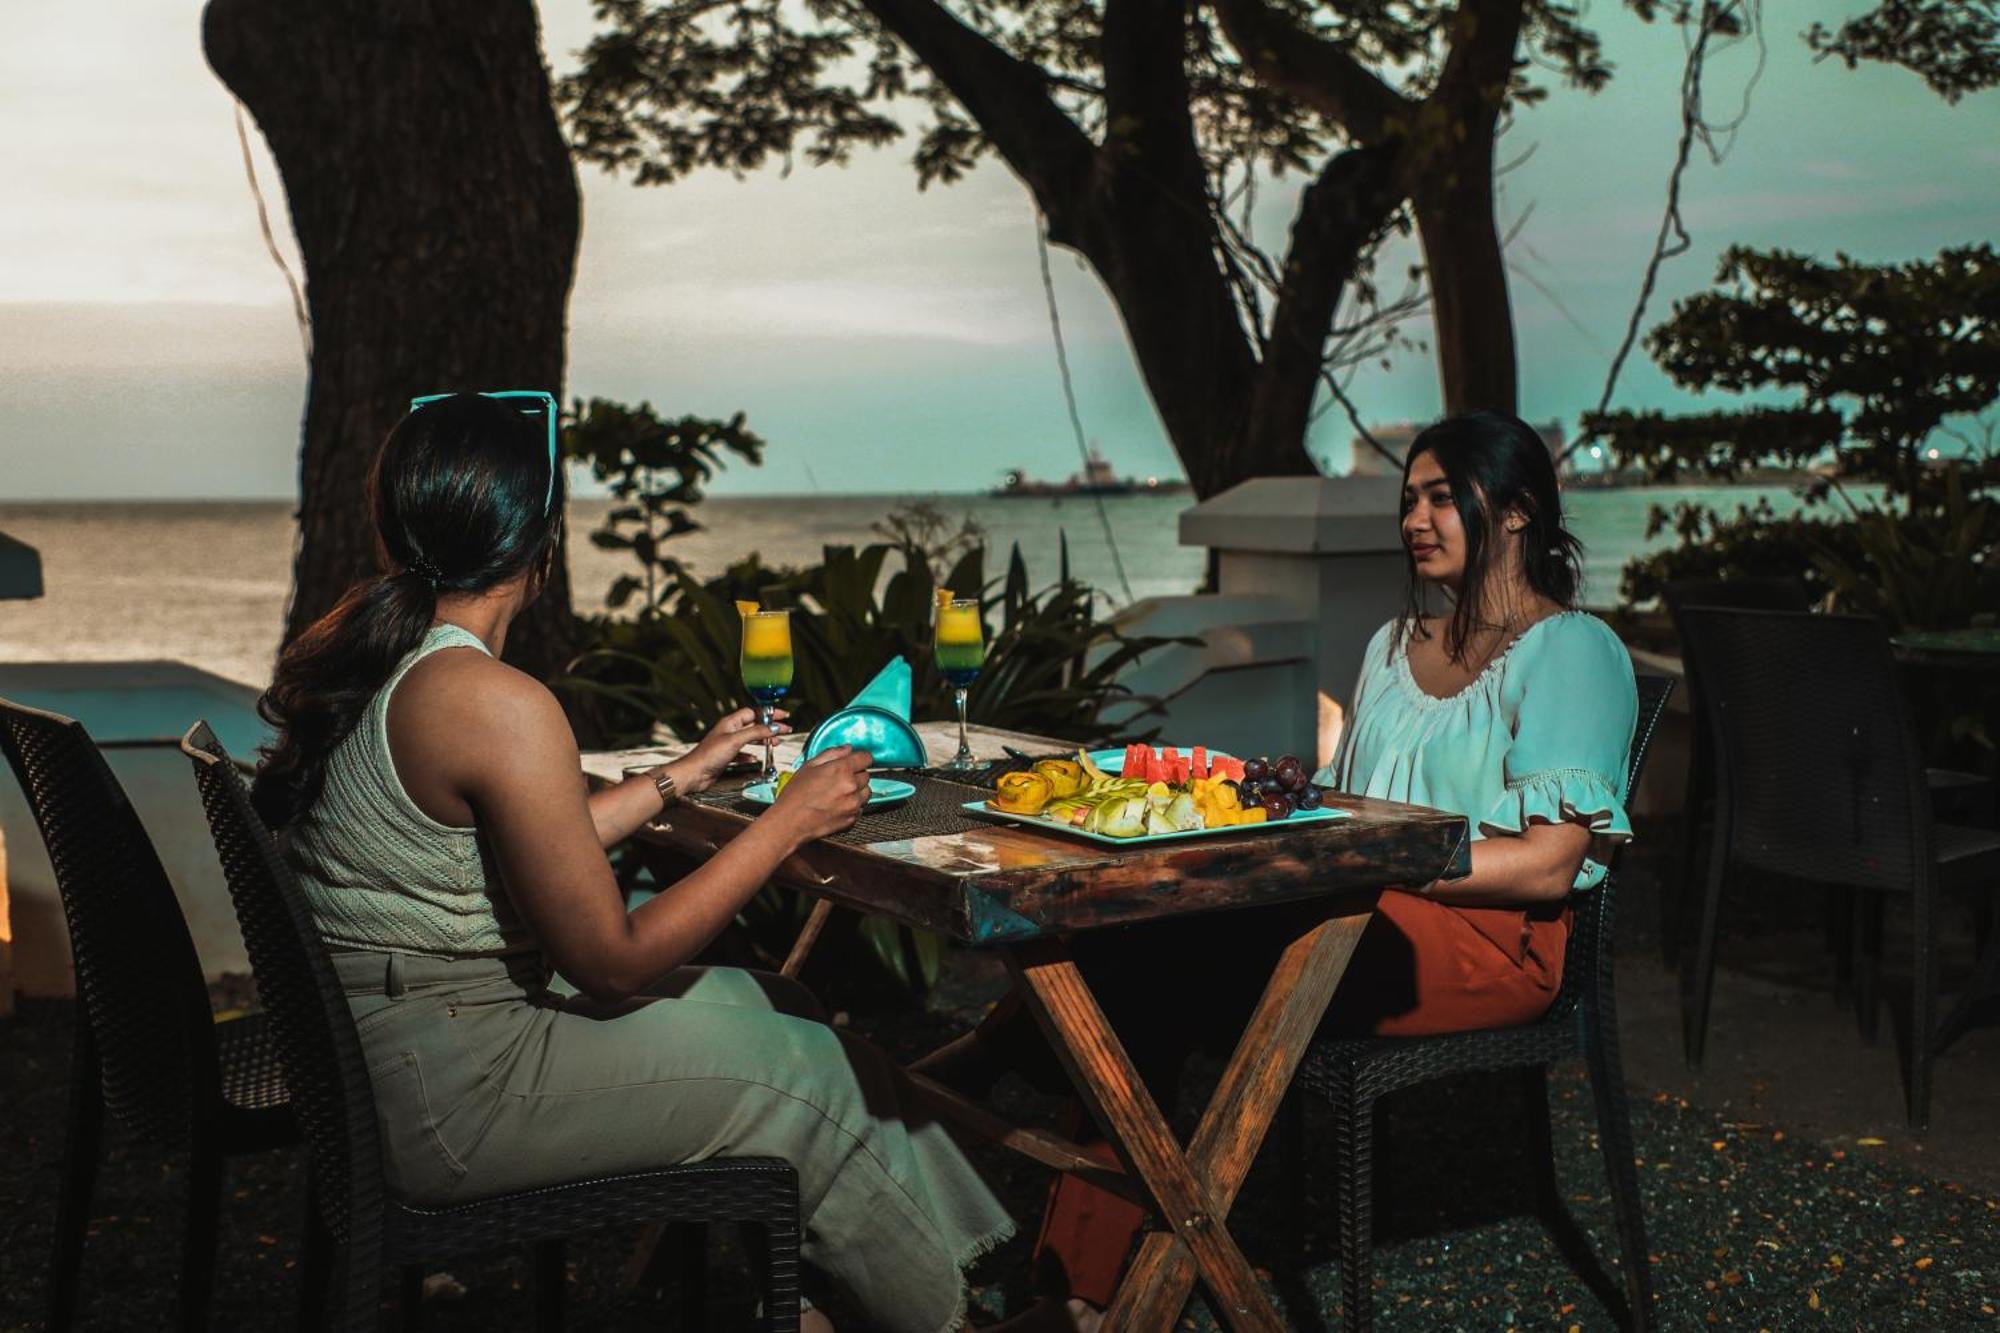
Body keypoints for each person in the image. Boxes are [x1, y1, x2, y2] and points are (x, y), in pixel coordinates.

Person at [252, 393, 1017, 1333]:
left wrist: (677, 776)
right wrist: (784, 824)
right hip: (457, 1097)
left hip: (401, 1060)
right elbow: (609, 960)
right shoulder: (495, 702)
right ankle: (960, 1317)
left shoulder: (396, 662)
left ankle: (877, 1292)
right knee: (809, 1070)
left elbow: (539, 835)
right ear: (542, 545)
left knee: (782, 1004)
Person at [930, 409, 1640, 1317]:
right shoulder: (1393, 646)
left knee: (1148, 967)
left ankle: (1039, 1161)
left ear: (1515, 511)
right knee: (1151, 952)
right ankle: (1092, 1283)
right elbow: (1338, 802)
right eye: (1408, 499)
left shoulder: (1574, 651)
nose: (1414, 519)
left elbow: (1548, 865)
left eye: (1439, 498)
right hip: (1358, 906)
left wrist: (1381, 864)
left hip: (1489, 942)